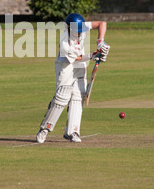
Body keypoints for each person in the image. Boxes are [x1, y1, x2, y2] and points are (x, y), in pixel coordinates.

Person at [36, 13, 110, 143]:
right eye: (77, 31)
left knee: (78, 96)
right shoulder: (65, 40)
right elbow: (76, 58)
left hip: (80, 64)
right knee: (62, 97)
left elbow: (101, 24)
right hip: (65, 65)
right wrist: (93, 55)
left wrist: (100, 42)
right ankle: (44, 130)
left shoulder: (81, 25)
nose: (80, 33)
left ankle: (72, 132)